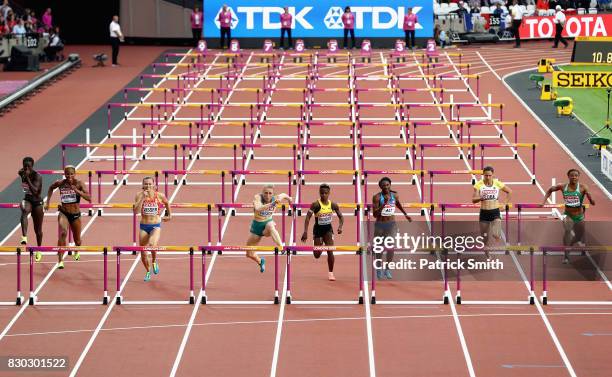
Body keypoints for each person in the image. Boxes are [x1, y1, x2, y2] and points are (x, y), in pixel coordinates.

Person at [542, 169, 595, 263]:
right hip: (568, 214)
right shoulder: (562, 186)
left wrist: (591, 200)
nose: (574, 177)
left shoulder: (583, 187)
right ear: (568, 176)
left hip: (579, 216)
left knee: (578, 237)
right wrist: (543, 202)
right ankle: (566, 256)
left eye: (576, 175)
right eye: (572, 175)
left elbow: (593, 203)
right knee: (567, 230)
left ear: (578, 177)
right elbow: (550, 190)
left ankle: (569, 245)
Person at [44, 166, 91, 268]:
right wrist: (47, 202)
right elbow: (50, 188)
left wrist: (77, 191)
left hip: (75, 214)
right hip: (64, 213)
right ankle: (60, 260)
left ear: (75, 174)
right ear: (65, 174)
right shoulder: (61, 183)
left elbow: (89, 198)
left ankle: (77, 249)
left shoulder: (79, 184)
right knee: (63, 233)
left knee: (77, 240)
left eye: (71, 174)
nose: (69, 176)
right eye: (67, 174)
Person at [301, 184, 344, 281]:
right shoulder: (315, 204)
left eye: (325, 193)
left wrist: (340, 227)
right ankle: (319, 245)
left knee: (330, 251)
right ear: (319, 193)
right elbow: (307, 217)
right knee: (316, 255)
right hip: (318, 230)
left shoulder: (333, 205)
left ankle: (331, 273)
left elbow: (341, 216)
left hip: (328, 231)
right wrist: (305, 232)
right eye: (322, 193)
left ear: (329, 193)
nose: (323, 195)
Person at [372, 177, 412, 280]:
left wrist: (405, 214)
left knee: (391, 247)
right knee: (379, 248)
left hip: (391, 225)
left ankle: (387, 268)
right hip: (380, 225)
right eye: (383, 185)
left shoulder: (394, 195)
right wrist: (384, 204)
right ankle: (379, 268)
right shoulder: (376, 197)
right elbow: (375, 214)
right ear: (380, 187)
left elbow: (398, 204)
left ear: (390, 185)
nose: (386, 187)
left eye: (387, 185)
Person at [247, 185, 292, 272]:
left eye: (270, 193)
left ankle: (281, 248)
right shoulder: (257, 198)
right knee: (249, 254)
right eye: (265, 193)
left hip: (267, 224)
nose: (267, 195)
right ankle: (260, 261)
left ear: (273, 194)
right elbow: (258, 208)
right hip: (256, 227)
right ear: (262, 193)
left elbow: (284, 195)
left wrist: (289, 199)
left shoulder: (276, 198)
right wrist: (272, 204)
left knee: (271, 226)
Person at [134, 177, 171, 281]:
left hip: (155, 225)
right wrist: (142, 199)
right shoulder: (138, 195)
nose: (148, 186)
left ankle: (154, 261)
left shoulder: (160, 195)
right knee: (143, 252)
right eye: (146, 184)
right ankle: (148, 271)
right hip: (144, 226)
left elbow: (167, 203)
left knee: (152, 245)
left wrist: (169, 215)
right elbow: (135, 211)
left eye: (150, 184)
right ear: (143, 185)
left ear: (154, 185)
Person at [472, 166, 511, 256]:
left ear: (493, 175)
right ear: (483, 175)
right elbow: (473, 200)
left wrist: (504, 204)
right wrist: (481, 198)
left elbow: (510, 191)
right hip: (484, 213)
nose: (488, 177)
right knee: (485, 237)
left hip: (495, 212)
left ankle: (496, 235)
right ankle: (487, 251)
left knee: (496, 232)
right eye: (486, 175)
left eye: (490, 175)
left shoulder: (497, 183)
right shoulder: (478, 185)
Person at [19, 157, 43, 248]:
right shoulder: (21, 173)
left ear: (32, 166)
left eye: (29, 166)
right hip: (28, 200)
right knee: (24, 211)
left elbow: (35, 192)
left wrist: (28, 179)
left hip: (37, 202)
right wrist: (24, 174)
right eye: (25, 166)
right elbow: (20, 172)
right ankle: (24, 237)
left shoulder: (38, 176)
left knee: (38, 230)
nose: (26, 168)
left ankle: (39, 249)